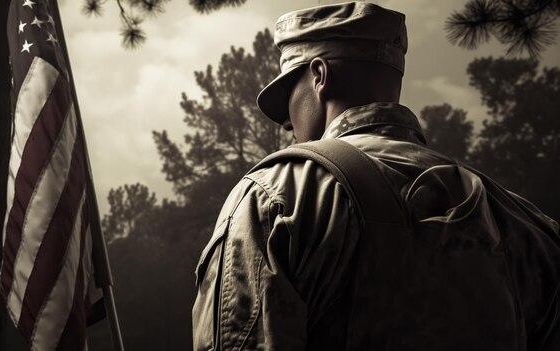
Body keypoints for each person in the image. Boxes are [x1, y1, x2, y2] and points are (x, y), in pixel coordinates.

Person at [192, 2, 560, 350]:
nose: (286, 122)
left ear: (319, 76)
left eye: (290, 92)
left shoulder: (277, 195)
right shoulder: (519, 218)